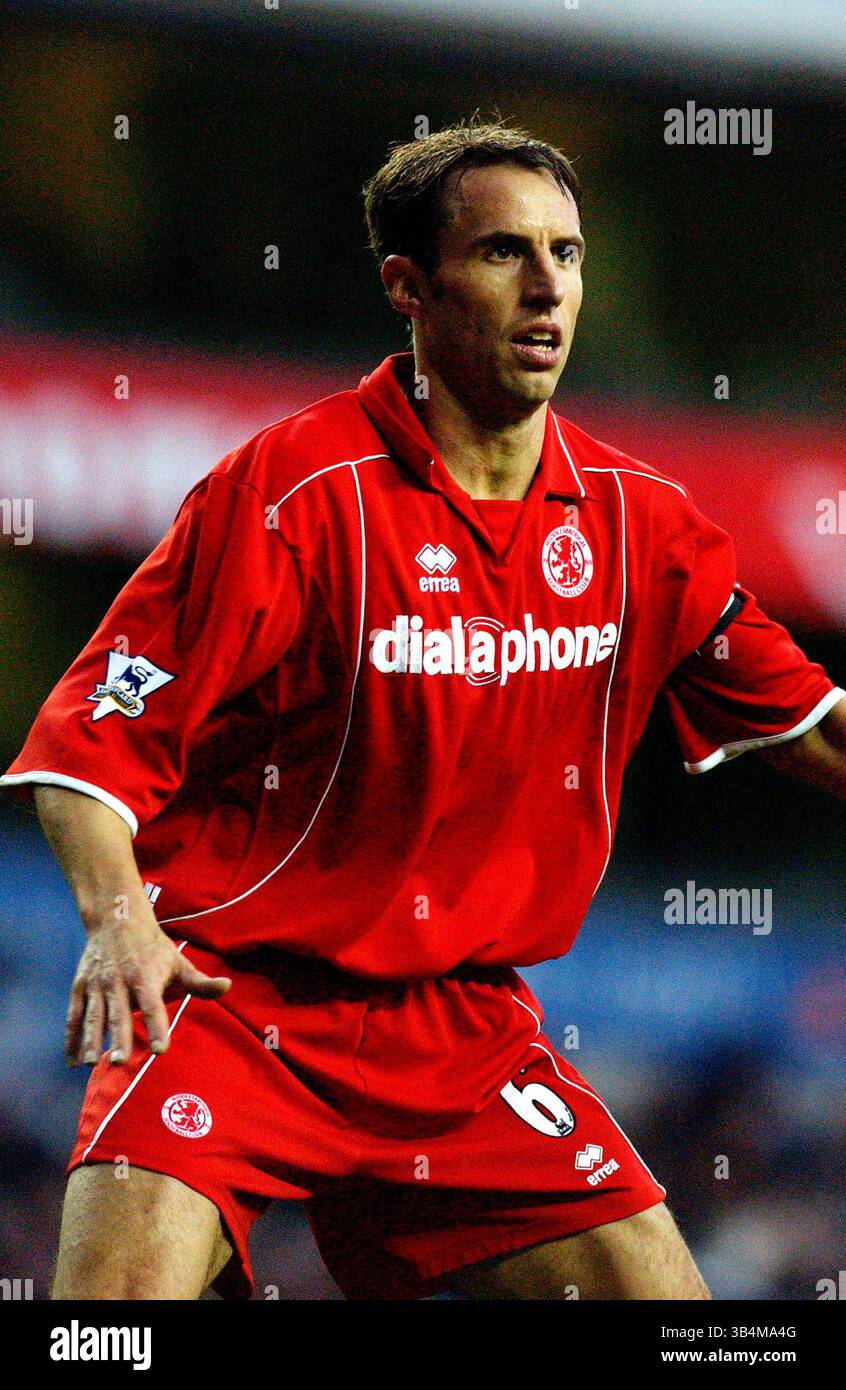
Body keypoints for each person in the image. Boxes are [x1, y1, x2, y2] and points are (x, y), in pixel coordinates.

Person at [2, 118, 844, 1302]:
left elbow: (815, 725)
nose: (548, 286)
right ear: (408, 286)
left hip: (464, 1037)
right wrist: (120, 922)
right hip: (234, 1005)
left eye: (567, 252)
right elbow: (86, 747)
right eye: (504, 252)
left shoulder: (639, 523)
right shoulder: (292, 492)